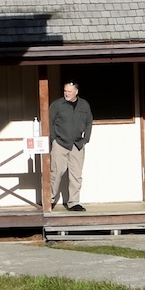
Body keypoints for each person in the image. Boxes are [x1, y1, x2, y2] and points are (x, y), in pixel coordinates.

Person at [47, 81, 93, 211]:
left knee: (76, 175)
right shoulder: (57, 105)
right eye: (65, 91)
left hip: (77, 144)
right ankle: (49, 200)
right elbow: (49, 122)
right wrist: (53, 139)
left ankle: (73, 202)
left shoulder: (84, 105)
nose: (67, 93)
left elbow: (89, 122)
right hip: (60, 144)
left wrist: (86, 139)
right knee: (56, 173)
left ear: (76, 92)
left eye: (69, 91)